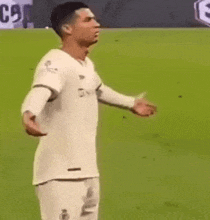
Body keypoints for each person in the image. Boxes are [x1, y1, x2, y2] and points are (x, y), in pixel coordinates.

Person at [21, 2, 157, 220]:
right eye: (88, 20)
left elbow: (99, 89)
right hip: (61, 176)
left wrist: (131, 103)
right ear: (68, 29)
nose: (97, 24)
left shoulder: (85, 65)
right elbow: (42, 88)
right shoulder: (55, 62)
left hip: (87, 173)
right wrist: (29, 113)